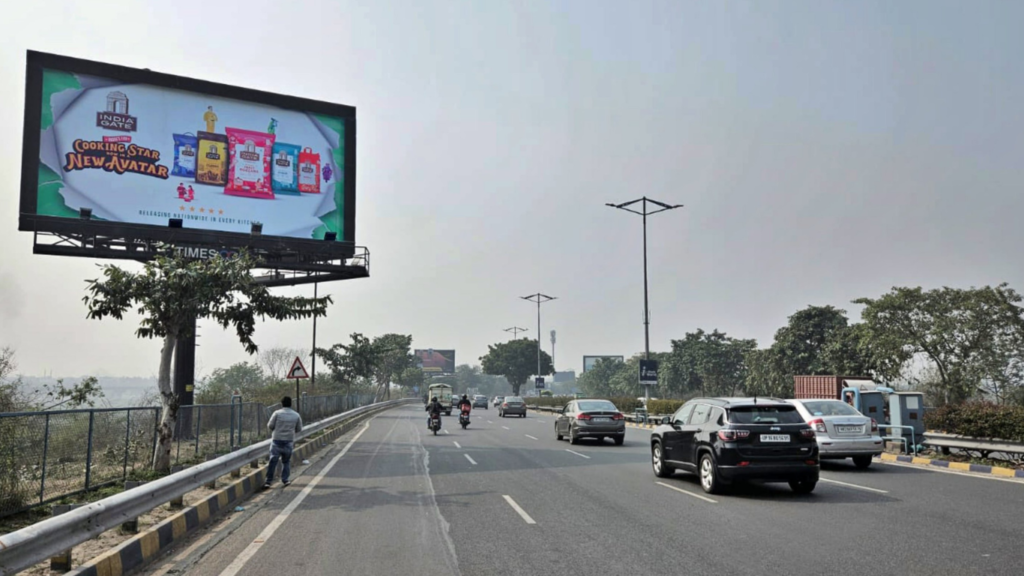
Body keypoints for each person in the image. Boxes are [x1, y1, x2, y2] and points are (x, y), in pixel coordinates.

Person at [264, 396, 302, 489]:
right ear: (291, 404)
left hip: (276, 440)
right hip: (288, 441)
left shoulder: (277, 413)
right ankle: (285, 480)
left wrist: (277, 430)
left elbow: (270, 425)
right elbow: (299, 429)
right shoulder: (296, 415)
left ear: (282, 404)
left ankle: (268, 481)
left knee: (273, 461)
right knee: (286, 461)